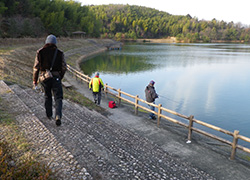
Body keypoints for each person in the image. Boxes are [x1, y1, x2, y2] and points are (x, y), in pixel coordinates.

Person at [33, 34, 67, 126]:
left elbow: (36, 68)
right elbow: (64, 67)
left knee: (47, 96)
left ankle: (49, 115)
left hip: (44, 78)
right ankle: (58, 115)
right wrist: (60, 76)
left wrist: (35, 80)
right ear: (55, 43)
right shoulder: (60, 52)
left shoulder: (40, 52)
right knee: (58, 97)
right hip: (56, 78)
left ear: (46, 42)